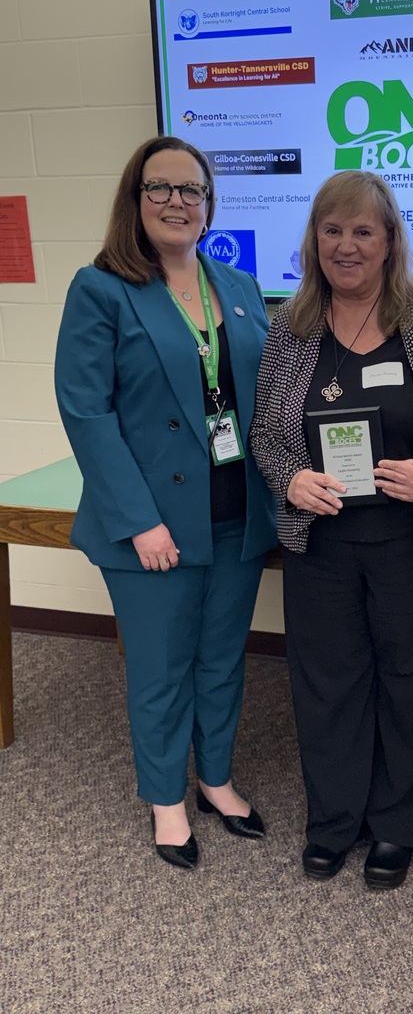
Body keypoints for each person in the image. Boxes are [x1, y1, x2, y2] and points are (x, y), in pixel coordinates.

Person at [250, 170, 413, 890]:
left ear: (389, 241)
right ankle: (335, 821)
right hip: (321, 543)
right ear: (314, 240)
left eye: (362, 231)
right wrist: (289, 478)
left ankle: (401, 825)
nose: (346, 246)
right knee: (328, 683)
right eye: (332, 230)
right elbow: (265, 431)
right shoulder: (290, 325)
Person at [55, 136, 277, 869]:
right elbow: (87, 413)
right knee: (160, 668)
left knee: (221, 660)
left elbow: (266, 398)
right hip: (152, 525)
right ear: (135, 199)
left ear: (209, 205)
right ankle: (167, 800)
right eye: (161, 188)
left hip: (234, 514)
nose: (178, 202)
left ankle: (214, 779)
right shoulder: (102, 288)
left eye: (192, 190)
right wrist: (139, 521)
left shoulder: (238, 288)